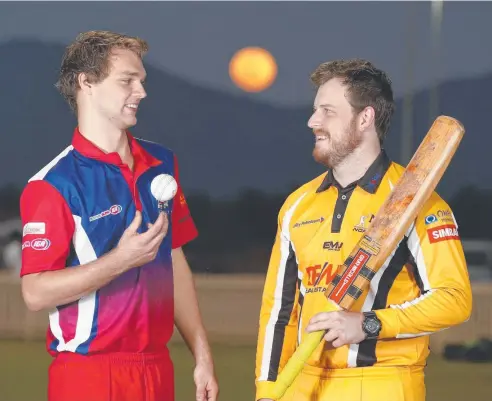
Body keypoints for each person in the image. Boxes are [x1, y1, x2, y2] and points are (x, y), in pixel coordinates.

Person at [255, 59, 472, 401]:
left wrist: (369, 324)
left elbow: (454, 300)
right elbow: (279, 312)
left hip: (379, 383)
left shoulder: (419, 203)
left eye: (327, 111)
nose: (313, 122)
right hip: (300, 384)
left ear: (365, 118)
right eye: (315, 111)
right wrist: (268, 388)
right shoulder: (297, 205)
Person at [19, 30, 218, 401]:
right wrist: (120, 261)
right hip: (87, 374)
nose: (141, 92)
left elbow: (173, 260)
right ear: (87, 83)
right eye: (128, 80)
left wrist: (202, 355)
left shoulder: (162, 164)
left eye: (142, 81)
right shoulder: (53, 184)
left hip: (157, 370)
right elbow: (34, 292)